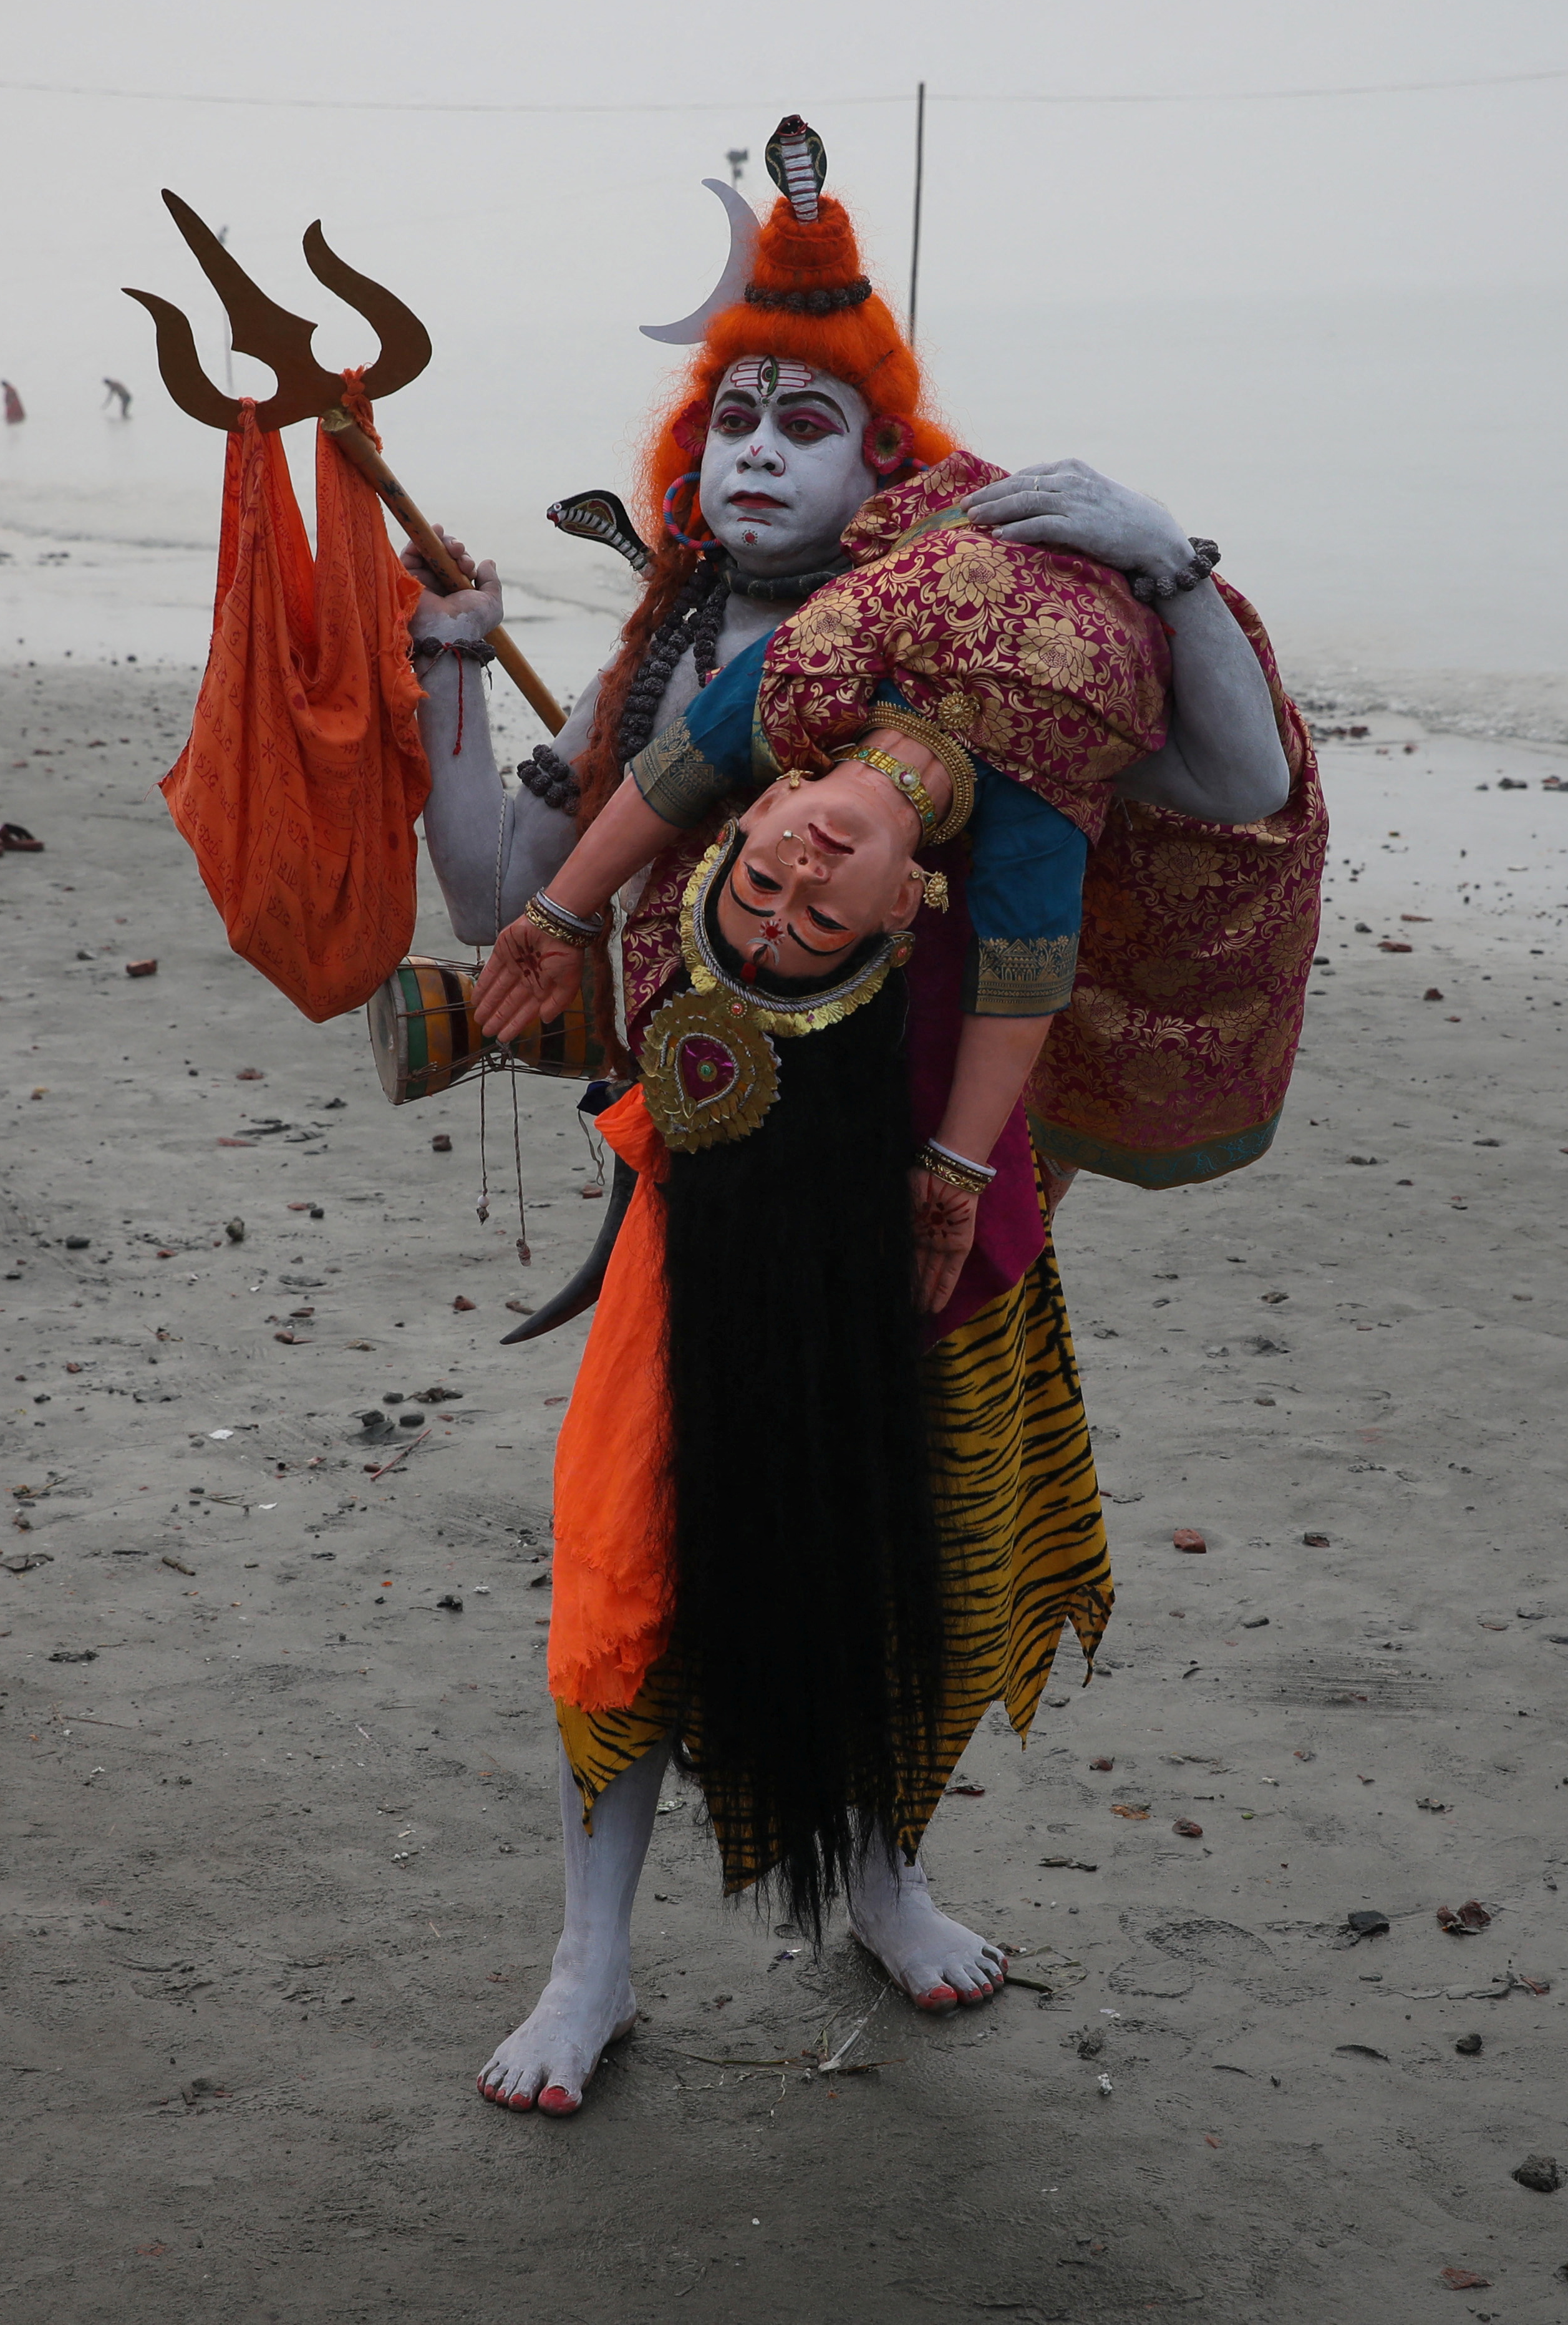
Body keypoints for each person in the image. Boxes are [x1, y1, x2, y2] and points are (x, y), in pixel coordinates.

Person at [422, 120, 1323, 2119]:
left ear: (878, 466)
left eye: (804, 420)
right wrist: (447, 690)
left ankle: (884, 1875)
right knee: (647, 1558)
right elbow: (514, 891)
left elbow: (1228, 785)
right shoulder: (679, 647)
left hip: (944, 1194)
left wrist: (1164, 560)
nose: (755, 449)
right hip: (711, 1176)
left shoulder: (993, 633)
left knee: (924, 1543)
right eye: (728, 415)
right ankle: (589, 1961)